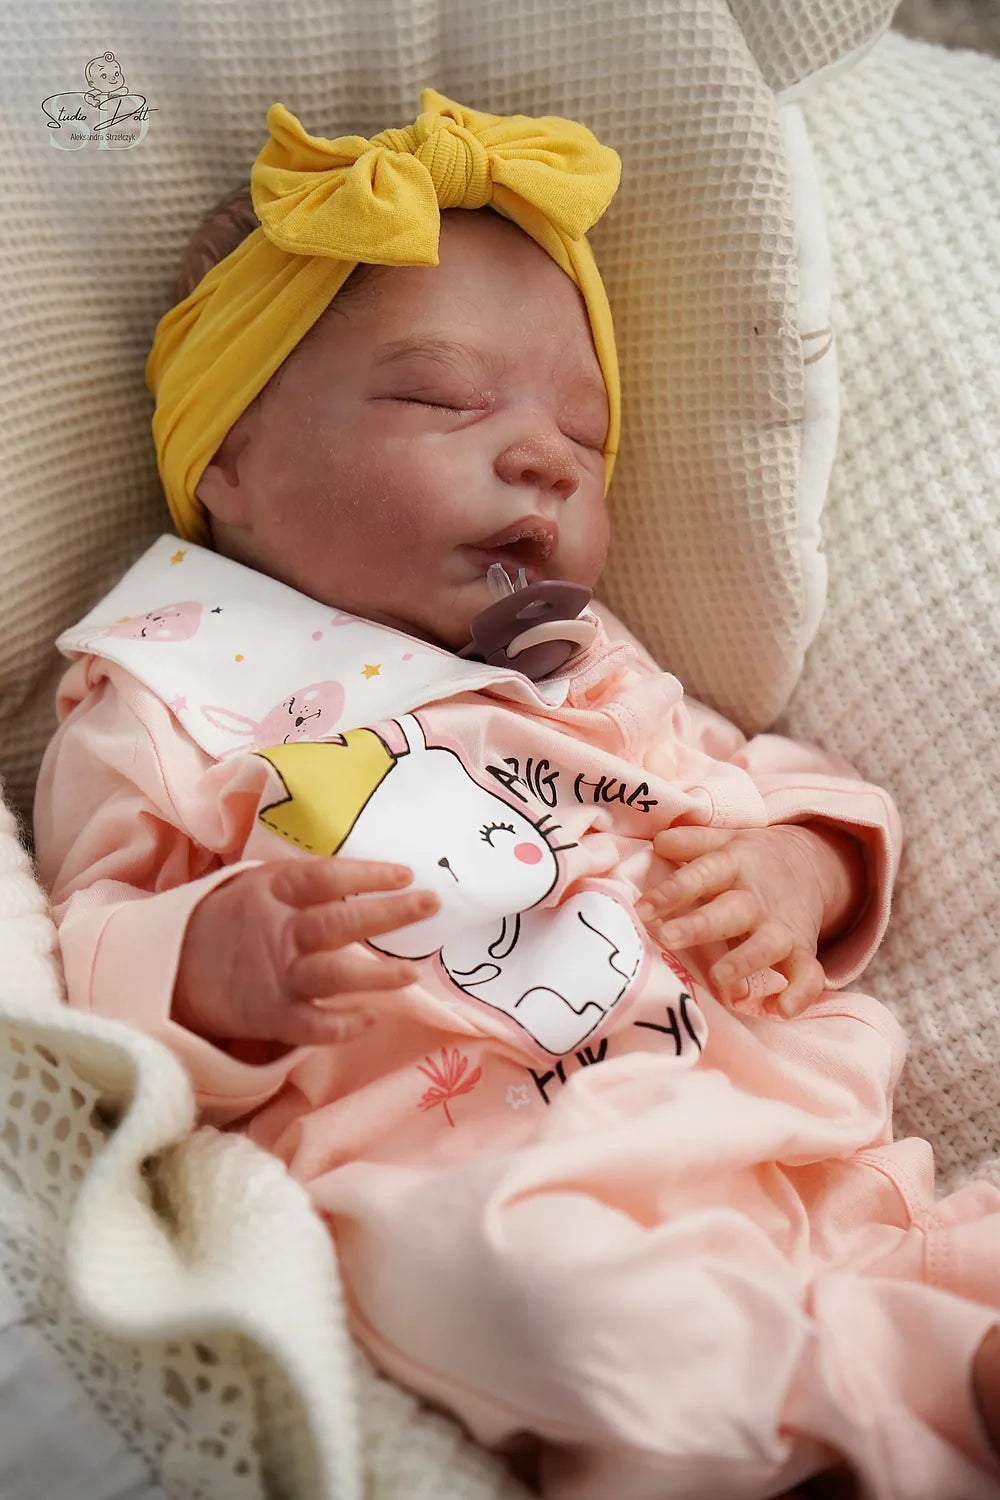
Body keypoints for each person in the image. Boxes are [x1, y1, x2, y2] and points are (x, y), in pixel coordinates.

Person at [32, 91, 1000, 1499]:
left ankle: (909, 1347)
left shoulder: (582, 668)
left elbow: (771, 782)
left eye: (586, 439)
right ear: (229, 456)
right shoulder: (164, 691)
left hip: (767, 1117)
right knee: (531, 1296)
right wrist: (212, 961)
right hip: (482, 1170)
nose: (547, 455)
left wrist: (801, 868)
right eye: (442, 399)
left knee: (903, 1242)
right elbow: (87, 944)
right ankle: (909, 1394)